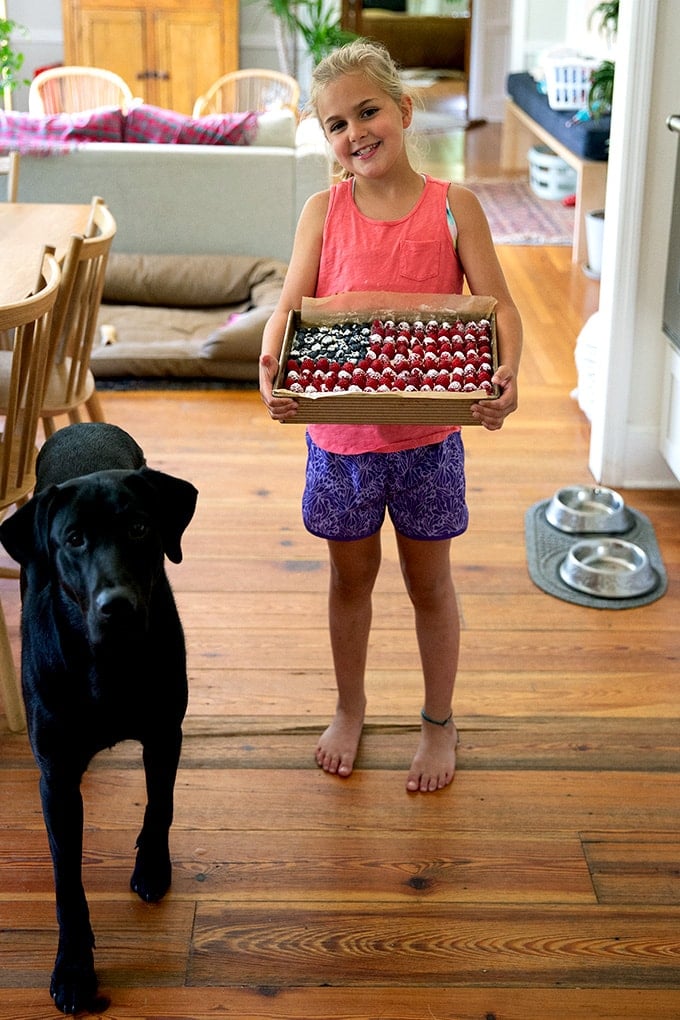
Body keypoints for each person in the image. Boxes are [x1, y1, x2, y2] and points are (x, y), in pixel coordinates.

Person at [259, 39, 522, 793]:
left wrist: (510, 373)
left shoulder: (453, 207)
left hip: (429, 437)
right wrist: (270, 362)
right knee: (351, 580)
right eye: (336, 124)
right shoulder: (323, 210)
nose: (355, 132)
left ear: (404, 111)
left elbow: (497, 305)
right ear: (326, 138)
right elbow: (289, 311)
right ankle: (351, 706)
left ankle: (439, 720)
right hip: (340, 439)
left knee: (429, 583)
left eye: (368, 111)